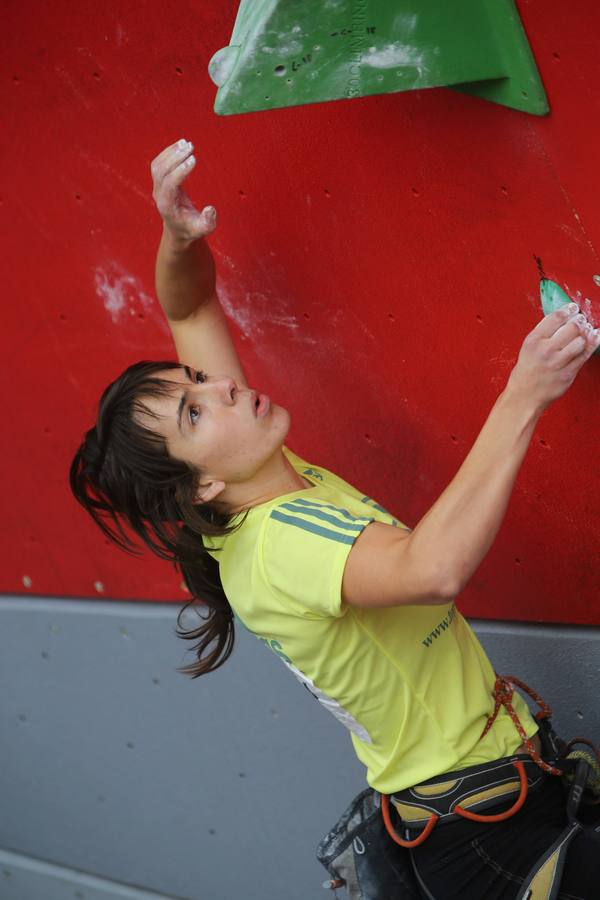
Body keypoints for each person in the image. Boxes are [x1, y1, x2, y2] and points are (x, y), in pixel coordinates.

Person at [70, 138, 600, 899]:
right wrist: (524, 393)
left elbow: (186, 303)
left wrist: (177, 237)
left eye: (196, 380)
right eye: (194, 409)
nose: (219, 388)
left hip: (488, 806)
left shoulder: (250, 489)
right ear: (202, 485)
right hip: (487, 836)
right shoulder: (282, 544)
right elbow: (432, 568)